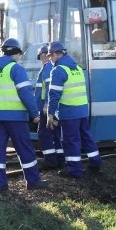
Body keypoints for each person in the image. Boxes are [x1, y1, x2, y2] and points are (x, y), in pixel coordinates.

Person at [0, 38, 48, 193]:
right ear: (16, 53)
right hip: (16, 117)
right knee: (24, 148)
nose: (20, 57)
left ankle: (1, 184)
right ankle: (33, 181)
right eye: (20, 54)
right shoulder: (16, 69)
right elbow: (25, 93)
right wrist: (35, 114)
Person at [47, 41, 101, 179]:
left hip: (69, 112)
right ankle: (95, 162)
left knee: (70, 141)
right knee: (86, 137)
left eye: (51, 55)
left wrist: (50, 113)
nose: (50, 59)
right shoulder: (76, 68)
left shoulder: (58, 70)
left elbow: (54, 95)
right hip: (82, 110)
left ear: (58, 54)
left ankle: (74, 170)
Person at [34, 45, 63, 169]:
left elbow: (48, 86)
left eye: (41, 57)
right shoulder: (54, 67)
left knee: (44, 133)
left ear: (43, 56)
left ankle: (50, 160)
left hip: (46, 108)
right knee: (56, 134)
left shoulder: (47, 68)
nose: (42, 59)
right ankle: (60, 160)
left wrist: (46, 104)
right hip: (53, 107)